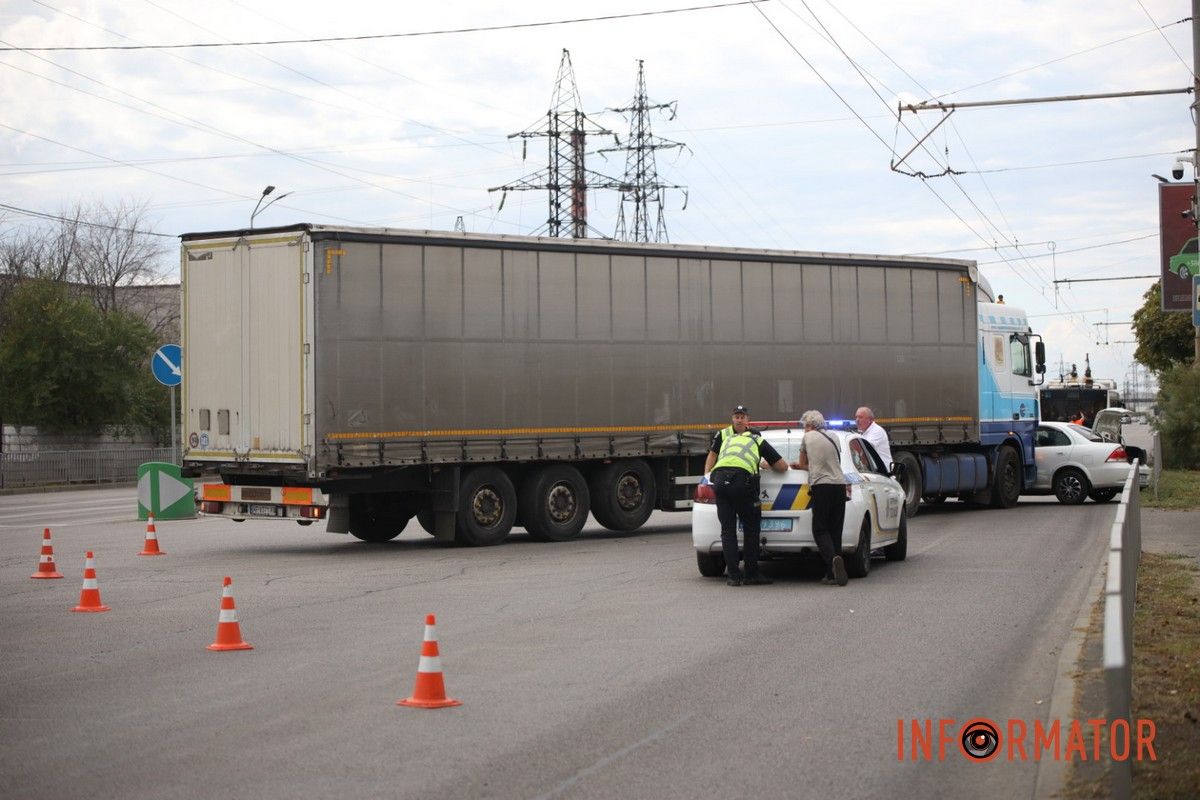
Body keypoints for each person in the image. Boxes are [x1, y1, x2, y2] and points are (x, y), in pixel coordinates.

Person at [703, 405, 790, 586]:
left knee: (727, 530)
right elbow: (782, 466)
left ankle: (733, 576)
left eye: (742, 416)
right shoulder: (756, 439)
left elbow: (714, 457)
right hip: (741, 484)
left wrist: (706, 477)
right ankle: (751, 574)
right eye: (737, 416)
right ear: (733, 418)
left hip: (720, 481)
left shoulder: (727, 440)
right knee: (751, 528)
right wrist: (765, 464)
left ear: (747, 420)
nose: (739, 419)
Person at [790, 409, 849, 587]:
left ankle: (832, 561)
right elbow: (831, 461)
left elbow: (803, 464)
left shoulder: (807, 438)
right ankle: (832, 574)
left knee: (820, 529)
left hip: (821, 486)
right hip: (839, 486)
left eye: (805, 426)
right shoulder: (834, 437)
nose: (804, 429)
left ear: (809, 426)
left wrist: (798, 466)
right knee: (835, 530)